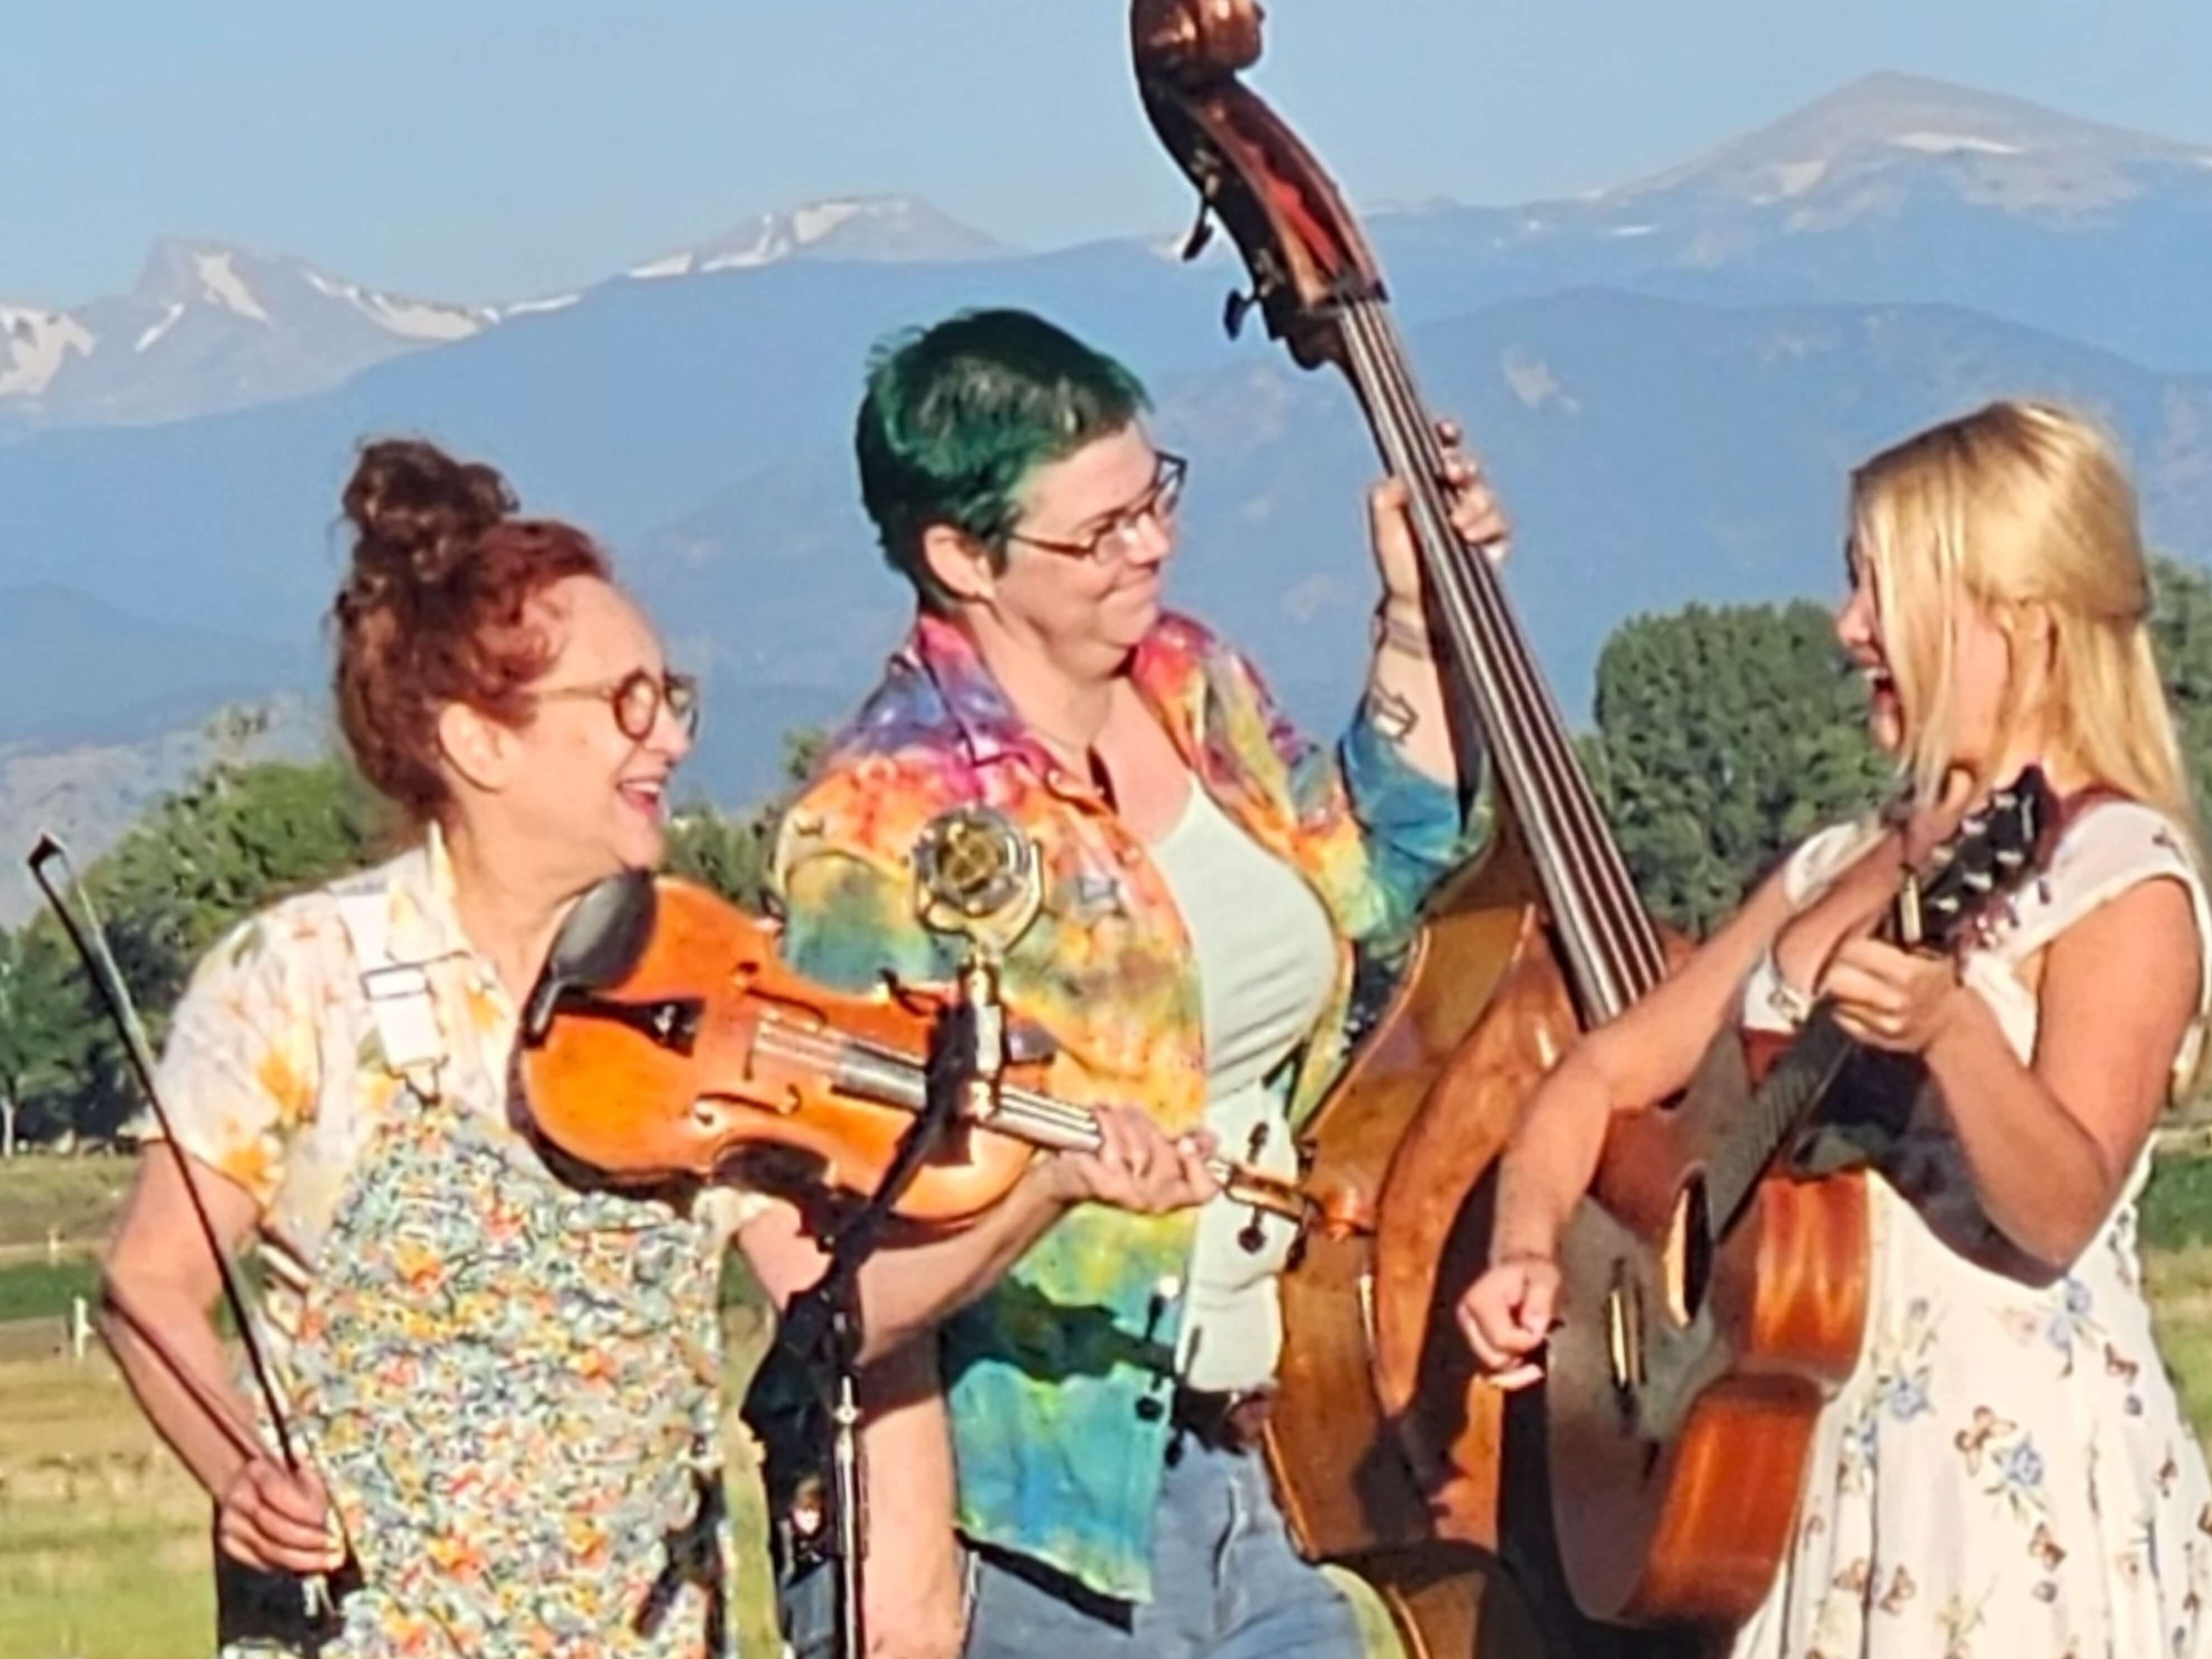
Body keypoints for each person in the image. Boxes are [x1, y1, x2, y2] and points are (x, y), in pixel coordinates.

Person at [102, 436, 1209, 1658]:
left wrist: (1047, 1189)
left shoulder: (699, 982)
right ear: (479, 741)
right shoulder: (301, 975)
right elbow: (152, 1284)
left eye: (670, 697)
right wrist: (242, 1472)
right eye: (624, 703)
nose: (669, 739)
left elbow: (842, 1307)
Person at [760, 307, 1505, 1659]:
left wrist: (1415, 624)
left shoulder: (1190, 681)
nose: (1150, 545)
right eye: (1097, 532)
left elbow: (1374, 872)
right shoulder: (881, 827)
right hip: (1026, 1528)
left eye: (1153, 498)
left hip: (1257, 1460)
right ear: (961, 557)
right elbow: (832, 1285)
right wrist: (1046, 1193)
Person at [1459, 401, 2212, 1658]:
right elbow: (1598, 1074)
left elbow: (2062, 1211)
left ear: (2018, 619)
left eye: (1880, 587)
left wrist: (1956, 1035)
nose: (1848, 625)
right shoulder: (1836, 863)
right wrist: (1525, 1246)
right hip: (1799, 1466)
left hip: (1997, 1504)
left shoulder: (2117, 878)